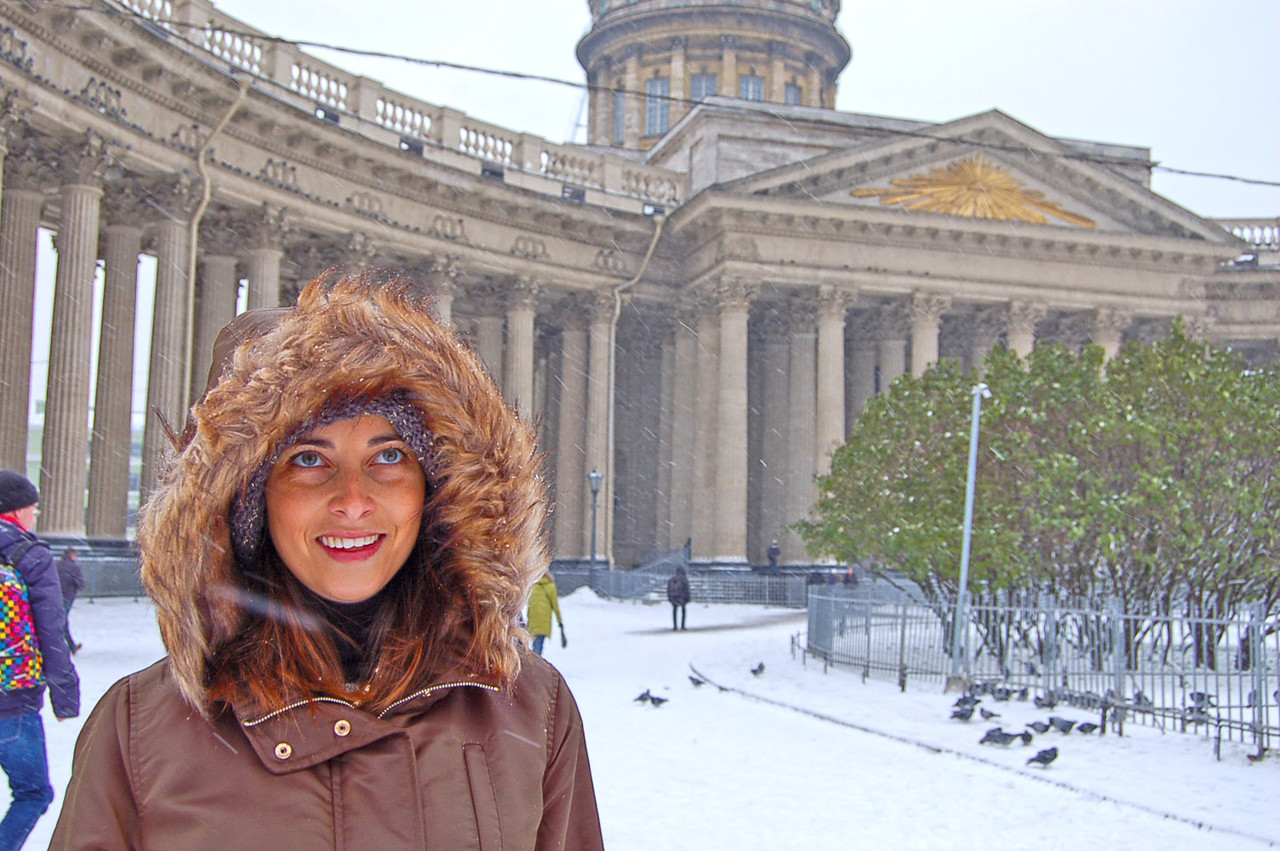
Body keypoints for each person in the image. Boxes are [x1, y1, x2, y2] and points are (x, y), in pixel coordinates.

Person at [51, 269, 603, 849]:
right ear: (248, 498)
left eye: (388, 454)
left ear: (436, 493)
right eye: (309, 460)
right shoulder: (137, 731)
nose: (353, 500)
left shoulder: (533, 711)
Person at [0, 470, 79, 850]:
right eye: (34, 508)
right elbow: (51, 632)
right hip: (11, 702)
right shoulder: (29, 555)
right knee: (33, 793)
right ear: (17, 512)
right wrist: (64, 698)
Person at [526, 571, 564, 656]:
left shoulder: (533, 587)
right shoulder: (551, 587)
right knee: (539, 643)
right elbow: (555, 606)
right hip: (544, 620)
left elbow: (530, 605)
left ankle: (534, 658)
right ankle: (536, 660)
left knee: (536, 642)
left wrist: (528, 620)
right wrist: (560, 621)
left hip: (533, 619)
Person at [55, 548, 85, 653]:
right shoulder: (74, 567)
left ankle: (67, 646)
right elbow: (81, 584)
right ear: (72, 556)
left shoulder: (57, 565)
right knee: (62, 622)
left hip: (56, 596)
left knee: (59, 621)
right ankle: (65, 646)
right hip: (67, 597)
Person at [667, 566, 690, 631]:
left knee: (674, 610)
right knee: (683, 611)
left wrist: (669, 598)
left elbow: (668, 589)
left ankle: (675, 626)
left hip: (674, 597)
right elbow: (687, 590)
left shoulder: (671, 579)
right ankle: (682, 626)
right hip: (682, 597)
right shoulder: (684, 579)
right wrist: (687, 598)